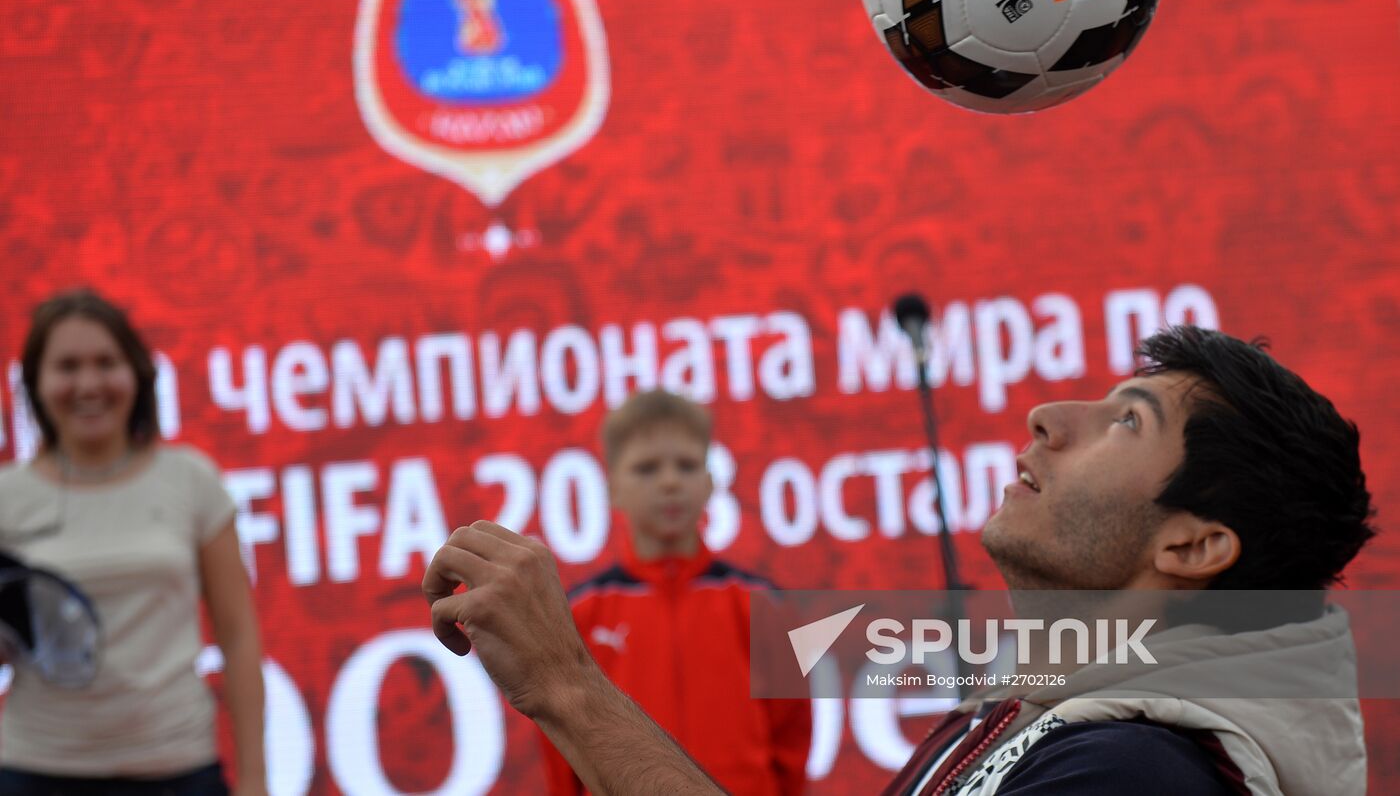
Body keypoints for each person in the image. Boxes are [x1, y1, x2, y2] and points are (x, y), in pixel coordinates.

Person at [422, 326, 1375, 795]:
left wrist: (567, 686)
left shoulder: (1131, 772)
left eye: (1128, 421)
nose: (1049, 415)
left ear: (1196, 544)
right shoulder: (1056, 715)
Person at [0, 290, 266, 796]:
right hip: (36, 770)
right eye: (67, 367)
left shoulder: (191, 480)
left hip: (178, 768)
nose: (89, 384)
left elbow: (238, 637)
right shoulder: (6, 498)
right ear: (34, 383)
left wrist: (254, 779)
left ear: (139, 374)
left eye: (106, 363)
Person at [539, 390, 810, 795]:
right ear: (613, 488)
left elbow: (792, 741)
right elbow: (565, 749)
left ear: (709, 482)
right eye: (647, 468)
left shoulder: (760, 603)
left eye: (686, 465)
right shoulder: (580, 614)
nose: (669, 481)